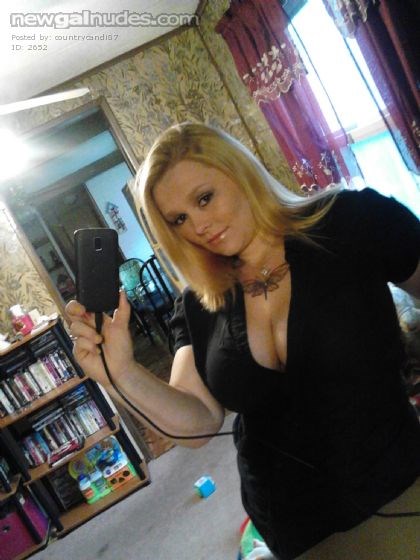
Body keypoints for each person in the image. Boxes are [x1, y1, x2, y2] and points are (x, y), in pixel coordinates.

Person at [66, 123, 420, 560]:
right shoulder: (198, 301)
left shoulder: (352, 220)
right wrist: (121, 371)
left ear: (238, 172)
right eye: (179, 219)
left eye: (204, 198)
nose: (198, 225)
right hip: (290, 524)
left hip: (397, 489)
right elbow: (197, 424)